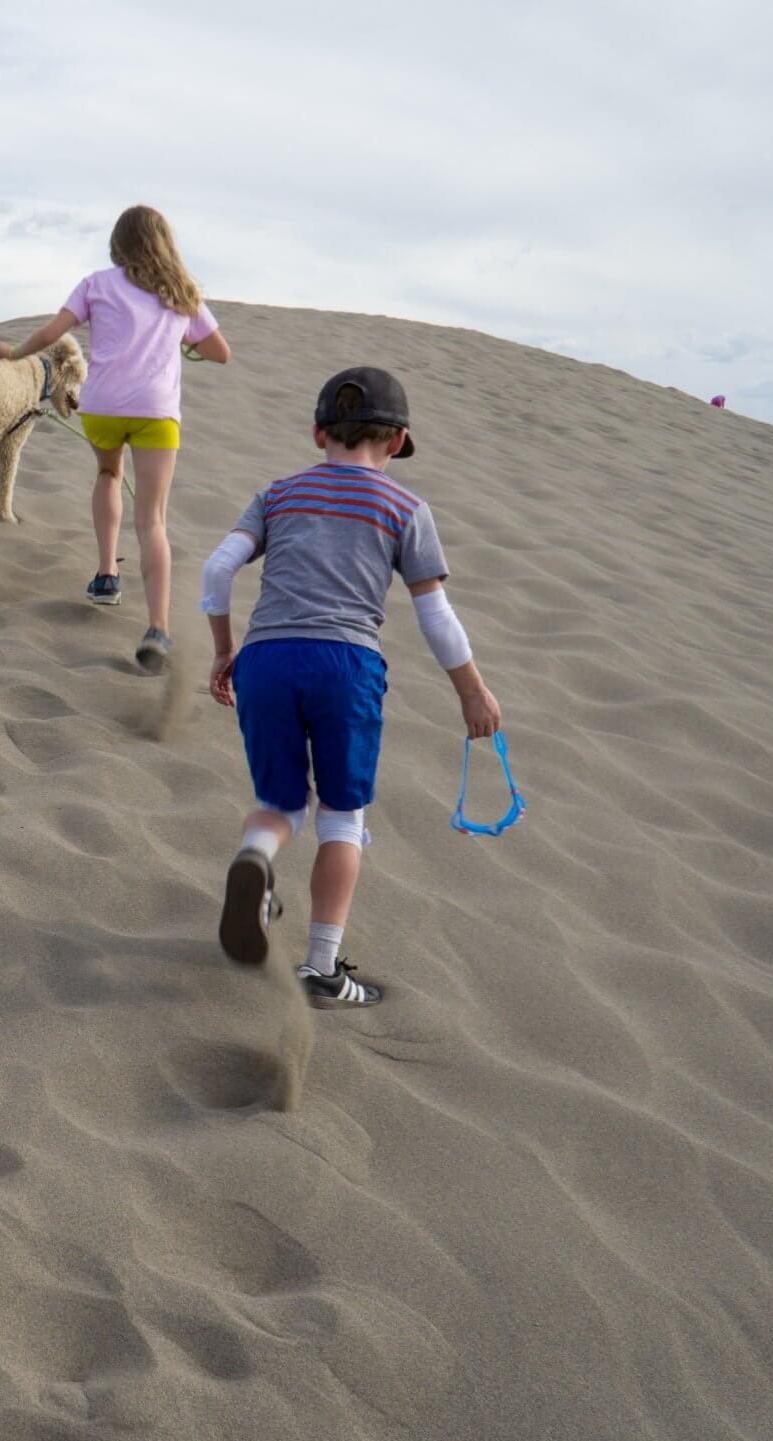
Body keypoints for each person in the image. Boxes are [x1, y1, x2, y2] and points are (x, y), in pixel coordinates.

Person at [199, 367, 502, 1008]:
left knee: (281, 802)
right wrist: (471, 691)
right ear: (396, 443)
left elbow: (219, 566)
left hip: (266, 660)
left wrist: (225, 648)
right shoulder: (404, 508)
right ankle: (320, 968)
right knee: (342, 816)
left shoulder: (277, 494)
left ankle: (255, 858)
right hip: (346, 667)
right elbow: (436, 617)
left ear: (317, 433)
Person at [0, 204, 229, 671]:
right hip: (156, 412)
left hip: (103, 407)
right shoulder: (181, 292)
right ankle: (158, 627)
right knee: (152, 518)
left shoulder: (96, 283)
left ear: (119, 244)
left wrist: (11, 352)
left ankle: (107, 575)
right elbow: (220, 352)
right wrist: (179, 338)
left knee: (109, 474)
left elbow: (53, 332)